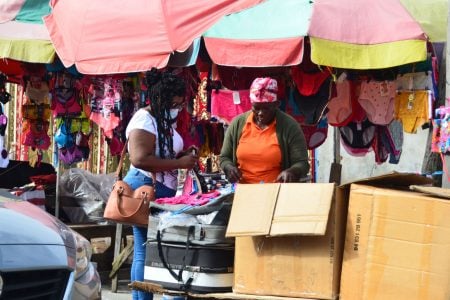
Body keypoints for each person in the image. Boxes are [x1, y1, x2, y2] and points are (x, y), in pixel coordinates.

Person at [124, 68, 198, 300]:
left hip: (159, 188)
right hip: (145, 187)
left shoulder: (162, 120)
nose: (177, 108)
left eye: (179, 104)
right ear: (159, 99)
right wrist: (179, 164)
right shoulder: (144, 119)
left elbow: (161, 154)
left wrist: (182, 156)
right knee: (147, 249)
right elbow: (139, 159)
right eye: (174, 104)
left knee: (147, 249)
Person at [220, 77, 309, 184]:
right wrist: (229, 168)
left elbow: (302, 163)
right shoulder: (237, 124)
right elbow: (225, 157)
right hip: (243, 192)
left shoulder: (290, 126)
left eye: (266, 108)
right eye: (256, 108)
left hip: (276, 193)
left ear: (276, 104)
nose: (261, 113)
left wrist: (292, 171)